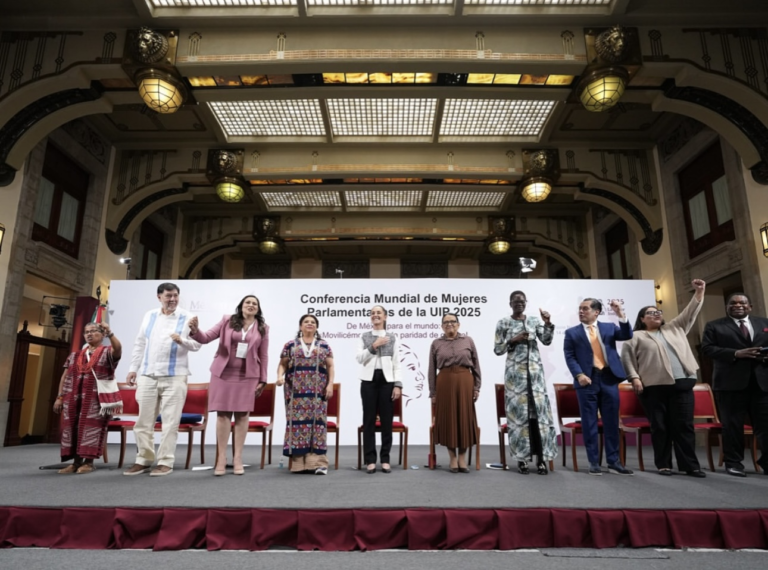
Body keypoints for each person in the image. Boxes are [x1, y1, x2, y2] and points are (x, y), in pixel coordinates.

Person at [621, 280, 707, 477]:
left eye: (658, 312)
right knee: (660, 427)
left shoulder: (676, 327)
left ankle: (690, 465)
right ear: (642, 319)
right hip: (653, 387)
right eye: (651, 313)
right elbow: (627, 359)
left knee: (684, 426)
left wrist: (699, 292)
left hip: (682, 383)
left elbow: (690, 311)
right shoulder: (635, 336)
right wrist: (634, 377)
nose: (656, 314)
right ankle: (664, 464)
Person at [123, 283, 201, 477]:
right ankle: (143, 460)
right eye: (168, 296)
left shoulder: (188, 317)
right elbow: (140, 343)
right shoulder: (149, 315)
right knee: (143, 422)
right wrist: (133, 368)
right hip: (148, 375)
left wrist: (182, 340)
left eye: (175, 296)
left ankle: (166, 461)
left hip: (175, 376)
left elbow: (198, 345)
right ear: (159, 297)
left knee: (170, 422)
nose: (172, 299)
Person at [188, 295, 269, 476]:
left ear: (258, 309)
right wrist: (194, 330)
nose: (251, 305)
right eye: (247, 302)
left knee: (242, 415)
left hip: (248, 376)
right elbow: (206, 337)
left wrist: (263, 379)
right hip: (223, 374)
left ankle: (238, 457)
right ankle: (221, 458)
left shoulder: (263, 328)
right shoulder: (227, 321)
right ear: (241, 306)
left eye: (254, 303)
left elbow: (263, 355)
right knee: (223, 415)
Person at [563, 298, 633, 476]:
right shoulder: (572, 333)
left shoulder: (609, 328)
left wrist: (620, 315)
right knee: (589, 422)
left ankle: (613, 461)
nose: (581, 312)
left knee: (611, 422)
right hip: (587, 380)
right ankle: (593, 462)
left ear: (596, 312)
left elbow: (627, 335)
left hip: (609, 378)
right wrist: (579, 375)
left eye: (585, 309)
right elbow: (570, 356)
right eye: (580, 309)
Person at [701, 293, 768, 477]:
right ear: (727, 306)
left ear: (750, 306)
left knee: (765, 425)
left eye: (742, 302)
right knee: (733, 426)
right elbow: (707, 349)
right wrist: (736, 353)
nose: (738, 305)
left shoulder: (764, 323)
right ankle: (734, 463)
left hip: (762, 384)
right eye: (733, 303)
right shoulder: (715, 326)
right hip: (730, 385)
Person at [494, 291, 558, 475]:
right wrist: (513, 340)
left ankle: (541, 460)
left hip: (535, 377)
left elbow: (546, 340)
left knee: (538, 418)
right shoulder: (503, 323)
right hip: (516, 378)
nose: (519, 304)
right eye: (515, 301)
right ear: (510, 303)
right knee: (519, 418)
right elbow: (498, 349)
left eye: (522, 301)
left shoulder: (533, 321)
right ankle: (521, 460)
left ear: (526, 303)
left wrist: (547, 323)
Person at [53, 322, 122, 474]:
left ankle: (89, 463)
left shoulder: (107, 351)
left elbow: (118, 349)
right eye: (86, 332)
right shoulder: (74, 355)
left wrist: (111, 334)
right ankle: (75, 463)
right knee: (72, 428)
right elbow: (65, 377)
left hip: (97, 400)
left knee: (91, 428)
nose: (89, 334)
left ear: (102, 335)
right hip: (73, 399)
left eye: (93, 331)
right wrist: (60, 397)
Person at [276, 314, 335, 475]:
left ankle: (318, 464)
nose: (310, 324)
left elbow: (330, 367)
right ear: (300, 326)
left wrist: (330, 385)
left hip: (318, 393)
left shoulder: (324, 345)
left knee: (318, 425)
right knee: (297, 425)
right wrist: (279, 376)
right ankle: (298, 464)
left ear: (316, 327)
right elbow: (282, 365)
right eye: (306, 322)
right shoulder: (290, 345)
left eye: (313, 322)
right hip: (295, 393)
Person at [428, 312, 481, 473]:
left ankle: (462, 458)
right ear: (442, 326)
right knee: (449, 419)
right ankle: (452, 458)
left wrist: (477, 387)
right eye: (446, 322)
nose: (449, 324)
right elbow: (431, 369)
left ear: (458, 324)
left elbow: (476, 364)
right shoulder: (436, 343)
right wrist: (433, 392)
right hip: (444, 381)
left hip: (465, 380)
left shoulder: (468, 341)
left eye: (452, 321)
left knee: (464, 418)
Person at [356, 305, 402, 474]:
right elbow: (359, 358)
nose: (375, 315)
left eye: (378, 313)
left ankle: (385, 459)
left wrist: (397, 384)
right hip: (368, 381)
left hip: (387, 381)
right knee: (368, 420)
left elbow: (396, 363)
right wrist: (374, 346)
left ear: (385, 317)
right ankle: (370, 459)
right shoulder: (365, 337)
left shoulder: (392, 337)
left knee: (386, 421)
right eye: (373, 313)